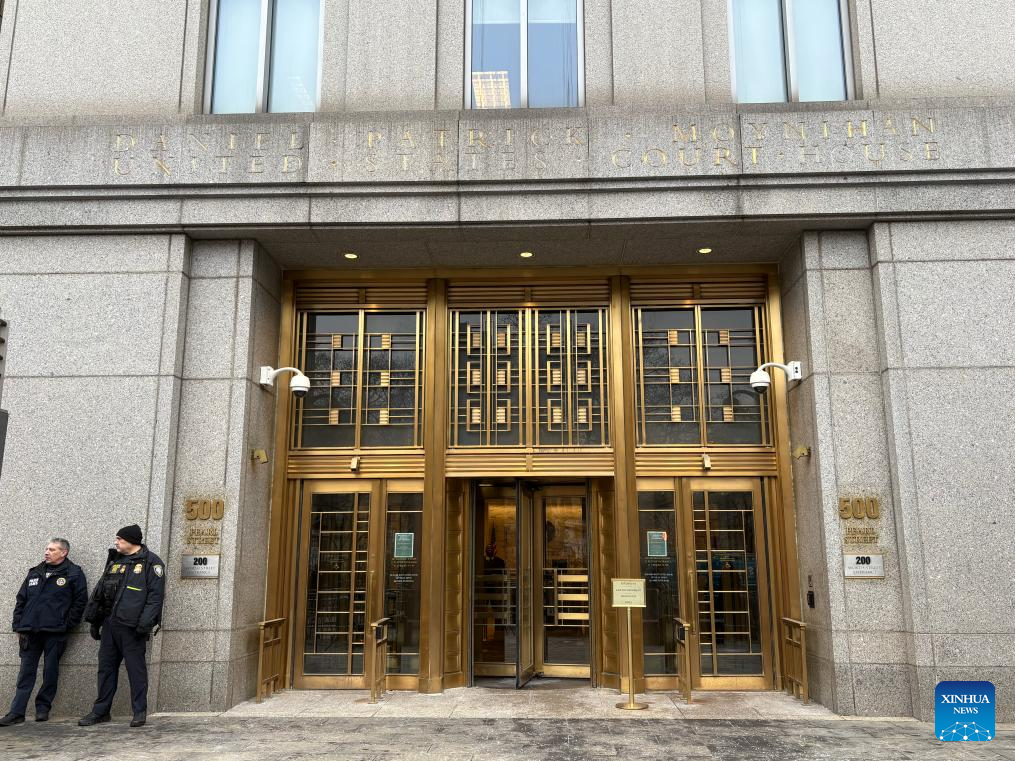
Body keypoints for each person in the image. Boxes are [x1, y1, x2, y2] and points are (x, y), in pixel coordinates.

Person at [78, 525, 165, 728]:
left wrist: (144, 624)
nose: (116, 542)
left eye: (120, 539)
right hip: (110, 625)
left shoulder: (151, 562)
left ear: (131, 540)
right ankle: (101, 711)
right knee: (106, 669)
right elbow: (101, 592)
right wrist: (95, 620)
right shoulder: (115, 561)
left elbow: (155, 598)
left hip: (132, 627)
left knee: (136, 671)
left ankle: (139, 711)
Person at [0, 538, 87, 726]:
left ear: (63, 552)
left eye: (52, 549)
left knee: (50, 671)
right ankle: (16, 712)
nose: (47, 552)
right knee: (25, 673)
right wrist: (18, 625)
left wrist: (66, 624)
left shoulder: (73, 573)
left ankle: (43, 708)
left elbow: (80, 602)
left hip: (55, 632)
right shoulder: (35, 572)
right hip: (30, 631)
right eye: (46, 549)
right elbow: (21, 600)